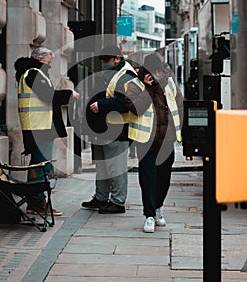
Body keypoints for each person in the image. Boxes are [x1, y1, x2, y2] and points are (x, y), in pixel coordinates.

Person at [14, 46, 79, 216]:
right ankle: (36, 202)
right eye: (49, 59)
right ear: (41, 58)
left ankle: (36, 201)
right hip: (38, 127)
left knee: (41, 163)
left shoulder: (33, 73)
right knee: (41, 165)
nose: (51, 62)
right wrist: (69, 94)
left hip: (40, 126)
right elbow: (48, 96)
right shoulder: (33, 73)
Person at [125, 52, 183, 232]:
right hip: (146, 140)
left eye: (158, 71)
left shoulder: (170, 83)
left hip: (167, 139)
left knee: (164, 177)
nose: (156, 74)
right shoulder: (134, 85)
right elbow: (136, 109)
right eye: (152, 71)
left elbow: (180, 106)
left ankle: (158, 207)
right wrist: (148, 89)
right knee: (148, 178)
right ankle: (149, 214)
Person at [81, 45, 137, 214]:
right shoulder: (112, 73)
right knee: (103, 167)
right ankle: (101, 197)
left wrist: (101, 105)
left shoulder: (126, 75)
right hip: (102, 129)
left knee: (116, 167)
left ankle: (118, 202)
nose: (104, 63)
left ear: (117, 59)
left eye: (107, 60)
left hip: (117, 131)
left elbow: (126, 102)